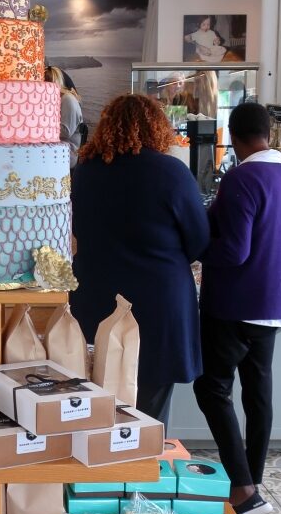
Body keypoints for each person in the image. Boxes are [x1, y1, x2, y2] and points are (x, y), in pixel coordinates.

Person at [193, 101, 281, 514]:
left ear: (233, 135)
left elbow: (234, 248)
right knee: (258, 393)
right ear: (269, 133)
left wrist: (197, 250)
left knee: (212, 390)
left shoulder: (243, 178)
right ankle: (254, 478)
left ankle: (243, 489)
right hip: (274, 304)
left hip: (232, 304)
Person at [70, 93, 210, 430]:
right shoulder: (171, 172)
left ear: (107, 127)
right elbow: (200, 241)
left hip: (96, 296)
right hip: (159, 302)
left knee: (95, 398)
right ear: (156, 127)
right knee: (150, 409)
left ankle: (98, 477)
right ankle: (139, 475)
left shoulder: (84, 173)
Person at [45, 65, 84, 168]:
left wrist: (41, 127)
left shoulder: (68, 99)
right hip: (58, 148)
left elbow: (65, 132)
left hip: (67, 152)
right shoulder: (59, 99)